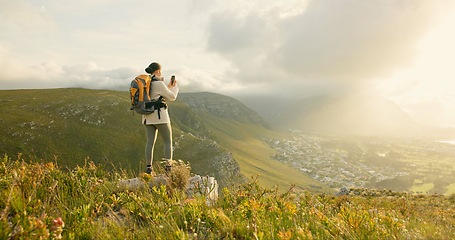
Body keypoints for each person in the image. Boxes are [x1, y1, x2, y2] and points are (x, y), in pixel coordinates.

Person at [142, 62, 179, 174]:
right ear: (158, 71)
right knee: (168, 141)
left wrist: (167, 87)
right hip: (160, 117)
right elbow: (172, 97)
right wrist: (174, 87)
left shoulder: (146, 82)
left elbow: (156, 95)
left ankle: (149, 168)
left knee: (150, 143)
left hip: (147, 116)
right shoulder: (158, 83)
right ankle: (168, 168)